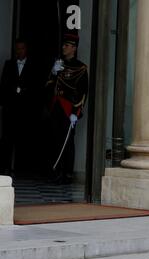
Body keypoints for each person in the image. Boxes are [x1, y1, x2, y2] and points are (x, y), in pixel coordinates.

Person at [46, 34, 88, 184]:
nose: (64, 48)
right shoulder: (59, 63)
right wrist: (53, 72)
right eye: (64, 45)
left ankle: (67, 173)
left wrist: (75, 113)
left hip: (68, 109)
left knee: (68, 141)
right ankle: (55, 171)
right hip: (56, 107)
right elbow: (49, 86)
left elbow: (82, 92)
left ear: (74, 48)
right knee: (55, 140)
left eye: (67, 46)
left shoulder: (81, 68)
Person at [0, 39, 36, 176]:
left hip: (25, 109)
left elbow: (35, 87)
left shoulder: (33, 65)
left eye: (22, 48)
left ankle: (22, 169)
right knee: (7, 139)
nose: (19, 51)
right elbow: (3, 84)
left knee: (24, 139)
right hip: (10, 108)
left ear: (26, 49)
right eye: (17, 49)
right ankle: (5, 167)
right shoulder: (8, 64)